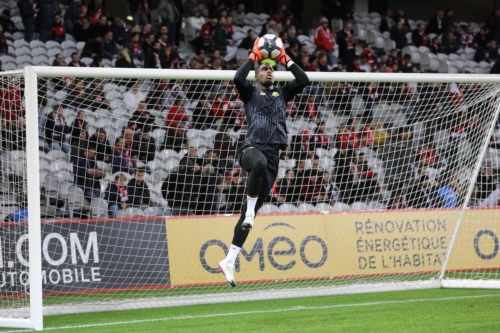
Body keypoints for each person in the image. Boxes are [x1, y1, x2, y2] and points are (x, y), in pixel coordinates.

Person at [217, 37, 309, 287]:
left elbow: (304, 80)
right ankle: (248, 210)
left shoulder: (283, 94)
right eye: (264, 69)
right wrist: (254, 56)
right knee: (255, 165)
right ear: (256, 76)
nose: (270, 71)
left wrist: (285, 58)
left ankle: (229, 259)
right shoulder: (250, 92)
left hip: (273, 157)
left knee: (250, 218)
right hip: (251, 148)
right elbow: (238, 78)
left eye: (272, 69)